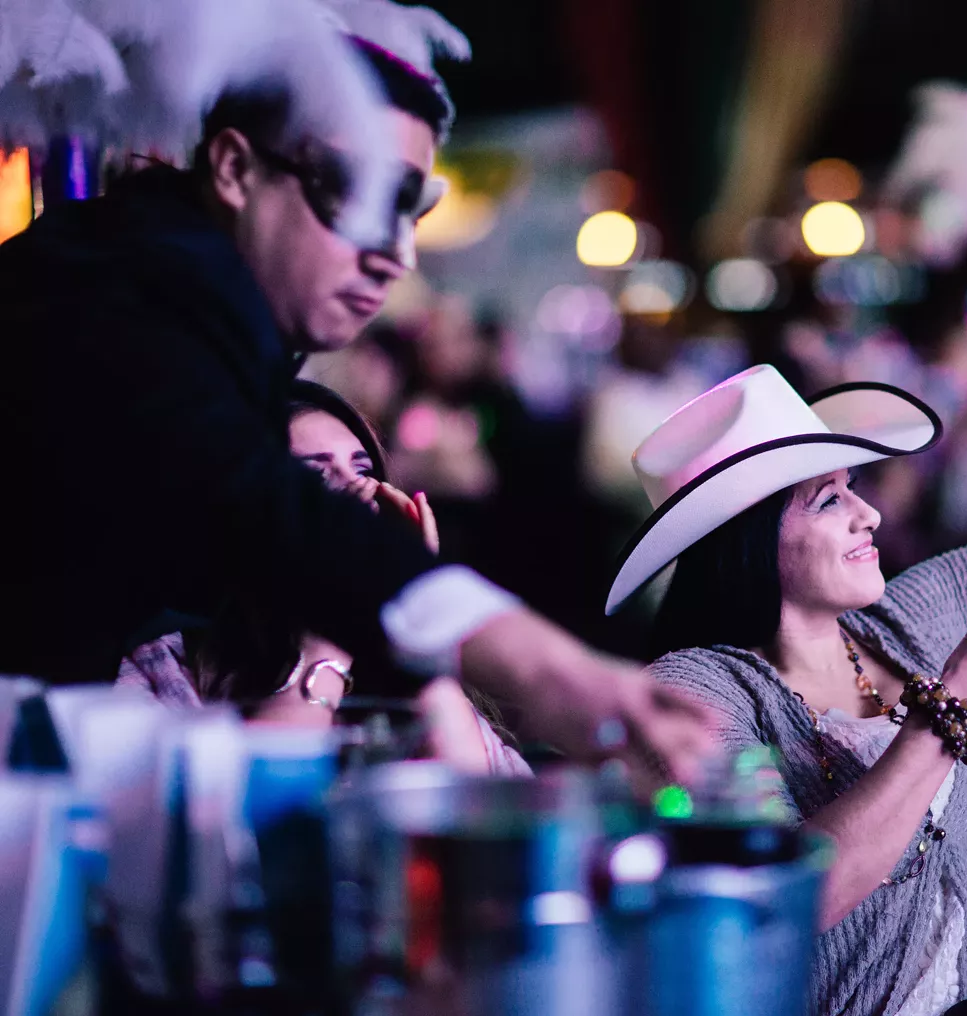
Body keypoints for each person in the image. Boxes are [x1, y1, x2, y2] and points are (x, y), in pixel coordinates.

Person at [0, 31, 709, 783]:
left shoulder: (175, 285)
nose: (395, 256)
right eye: (355, 194)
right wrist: (551, 670)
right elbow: (270, 506)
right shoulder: (123, 288)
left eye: (409, 211)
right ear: (235, 169)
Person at [607, 204, 967, 1016]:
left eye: (854, 488)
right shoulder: (693, 693)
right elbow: (779, 897)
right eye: (828, 500)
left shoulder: (913, 620)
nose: (870, 514)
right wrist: (953, 711)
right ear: (747, 543)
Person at [117, 380, 530, 776]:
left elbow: (475, 797)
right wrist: (330, 637)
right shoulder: (165, 669)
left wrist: (413, 611)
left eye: (363, 470)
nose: (358, 492)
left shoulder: (401, 672)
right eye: (316, 479)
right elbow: (251, 802)